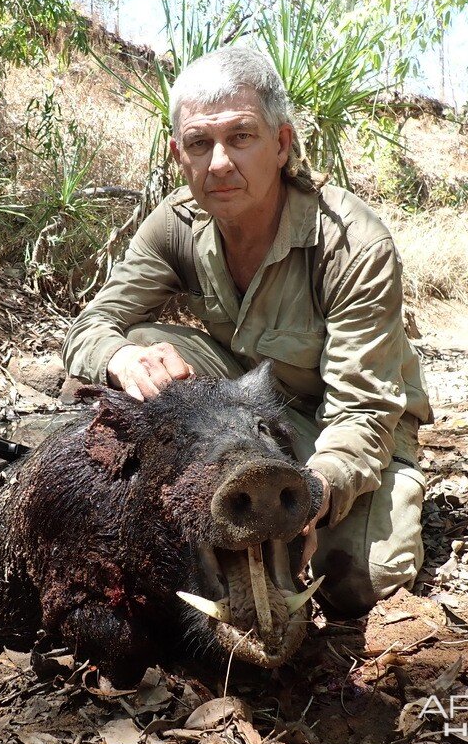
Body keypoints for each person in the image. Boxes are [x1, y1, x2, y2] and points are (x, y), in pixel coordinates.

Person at [62, 45, 432, 617]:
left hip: (344, 422)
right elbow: (93, 326)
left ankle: (380, 493)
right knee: (135, 351)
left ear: (282, 144)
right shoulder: (173, 225)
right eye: (199, 144)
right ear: (176, 155)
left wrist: (310, 496)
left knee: (359, 581)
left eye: (241, 137)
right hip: (244, 404)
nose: (218, 164)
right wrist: (120, 360)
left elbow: (362, 413)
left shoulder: (353, 242)